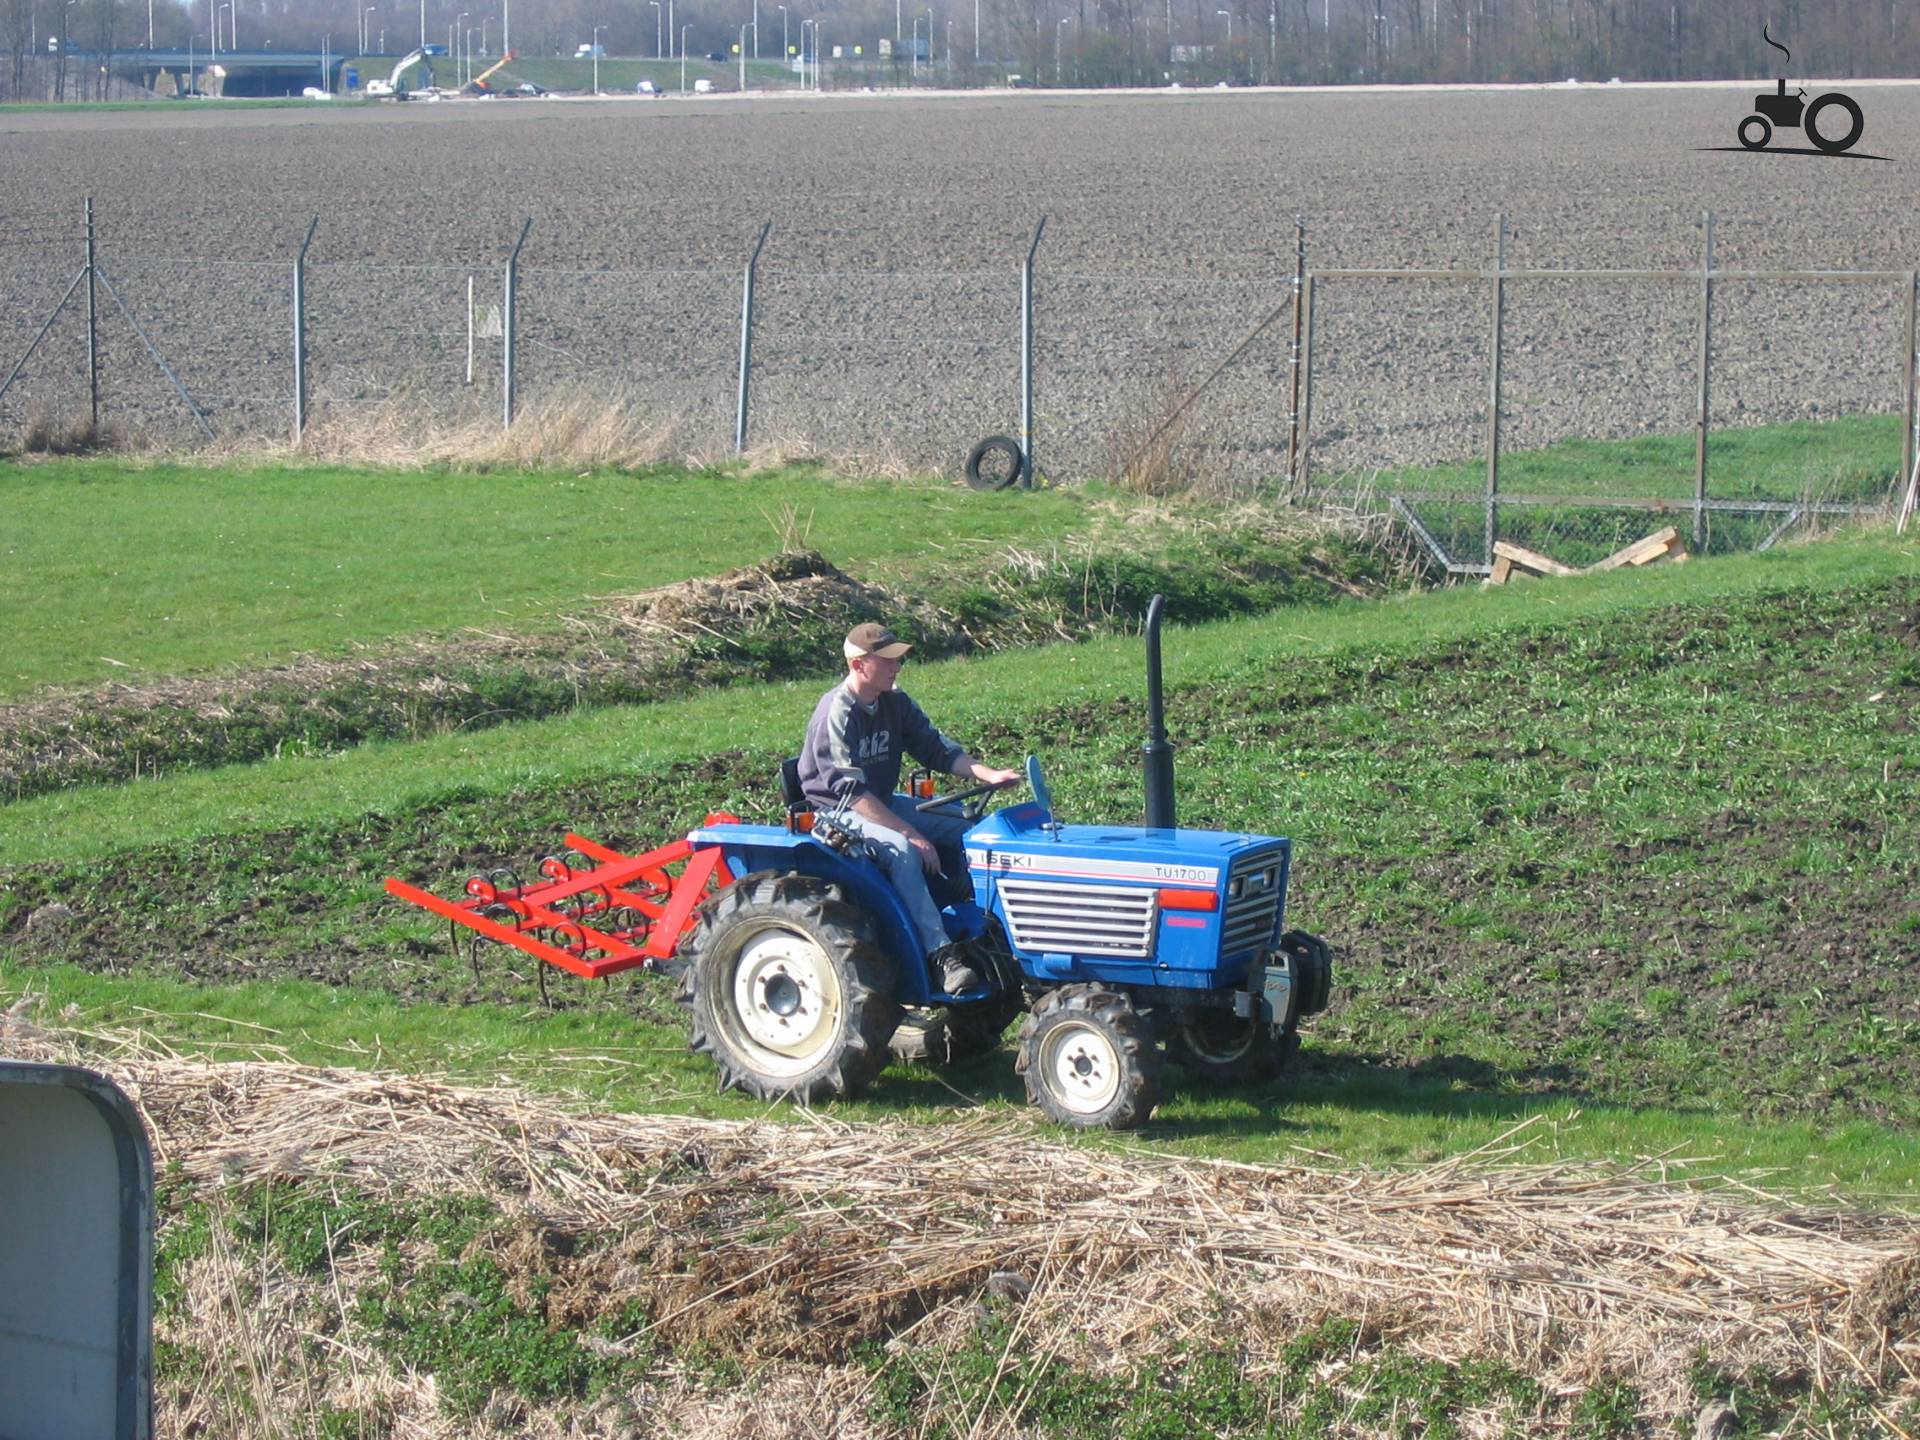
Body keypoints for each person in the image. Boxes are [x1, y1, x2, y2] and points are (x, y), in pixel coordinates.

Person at [798, 622, 1021, 992]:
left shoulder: (895, 702)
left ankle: (983, 930)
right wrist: (912, 834)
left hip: (881, 802)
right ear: (858, 665)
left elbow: (935, 747)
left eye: (897, 659)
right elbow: (849, 791)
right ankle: (941, 955)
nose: (896, 666)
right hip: (837, 811)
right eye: (886, 660)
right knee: (902, 850)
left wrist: (988, 774)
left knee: (971, 830)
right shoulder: (836, 711)